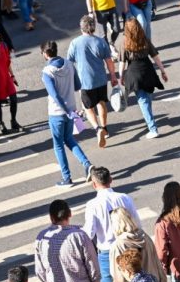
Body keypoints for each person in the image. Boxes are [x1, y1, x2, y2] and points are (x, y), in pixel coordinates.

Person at [83, 166, 143, 282]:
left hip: (107, 252)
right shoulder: (124, 198)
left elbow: (89, 232)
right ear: (111, 180)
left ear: (94, 184)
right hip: (128, 247)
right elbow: (137, 223)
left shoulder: (92, 205)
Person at [40, 41, 92, 188]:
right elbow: (77, 85)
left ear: (45, 54)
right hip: (71, 108)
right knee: (69, 139)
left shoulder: (47, 72)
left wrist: (65, 109)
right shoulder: (69, 64)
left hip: (57, 113)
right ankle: (87, 164)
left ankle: (67, 177)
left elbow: (54, 95)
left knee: (58, 145)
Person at [68, 14, 117, 150]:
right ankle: (105, 128)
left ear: (81, 28)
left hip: (84, 82)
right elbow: (109, 61)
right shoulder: (100, 42)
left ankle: (97, 128)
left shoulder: (75, 43)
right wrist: (113, 76)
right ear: (94, 28)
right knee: (101, 103)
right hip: (101, 79)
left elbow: (70, 63)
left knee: (88, 108)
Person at [119, 17, 167, 137]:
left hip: (135, 75)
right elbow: (155, 56)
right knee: (147, 98)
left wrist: (120, 77)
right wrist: (162, 71)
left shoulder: (124, 42)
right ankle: (150, 121)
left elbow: (122, 62)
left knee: (143, 101)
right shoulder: (145, 39)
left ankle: (153, 128)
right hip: (148, 71)